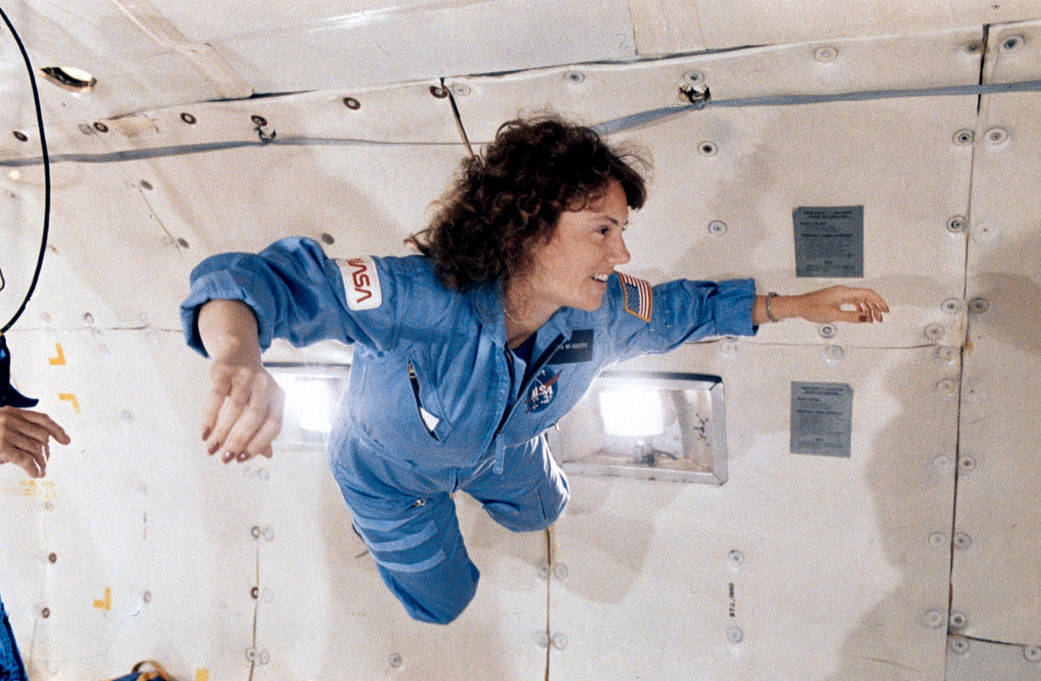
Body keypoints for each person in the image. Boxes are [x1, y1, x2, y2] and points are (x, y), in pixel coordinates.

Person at [180, 116, 888, 624]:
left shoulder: (603, 312)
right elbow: (248, 280)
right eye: (601, 231)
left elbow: (685, 309)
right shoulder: (418, 298)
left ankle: (498, 462)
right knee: (444, 604)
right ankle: (406, 527)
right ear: (525, 227)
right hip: (390, 474)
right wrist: (238, 356)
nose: (619, 256)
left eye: (620, 233)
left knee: (544, 509)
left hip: (505, 448)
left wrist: (797, 304)